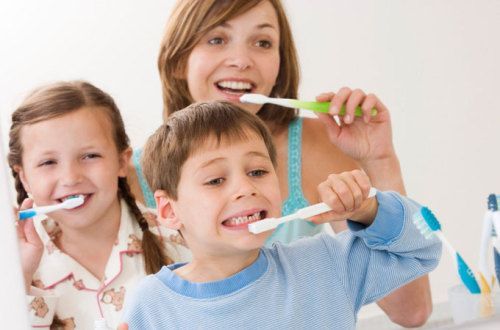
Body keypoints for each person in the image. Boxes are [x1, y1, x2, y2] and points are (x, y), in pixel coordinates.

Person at [127, 0, 432, 326]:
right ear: (177, 60)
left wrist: (379, 161)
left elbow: (411, 309)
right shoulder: (126, 178)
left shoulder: (323, 259)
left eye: (262, 42)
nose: (242, 61)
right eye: (217, 39)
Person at [122, 101, 441, 329]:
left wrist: (371, 210)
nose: (245, 188)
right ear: (168, 209)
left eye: (258, 171)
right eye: (216, 180)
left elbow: (423, 249)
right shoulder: (151, 308)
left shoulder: (327, 263)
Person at [8, 81, 190, 329]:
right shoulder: (14, 269)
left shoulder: (185, 241)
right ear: (24, 176)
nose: (71, 177)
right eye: (49, 162)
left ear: (121, 161)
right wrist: (20, 279)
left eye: (90, 156)